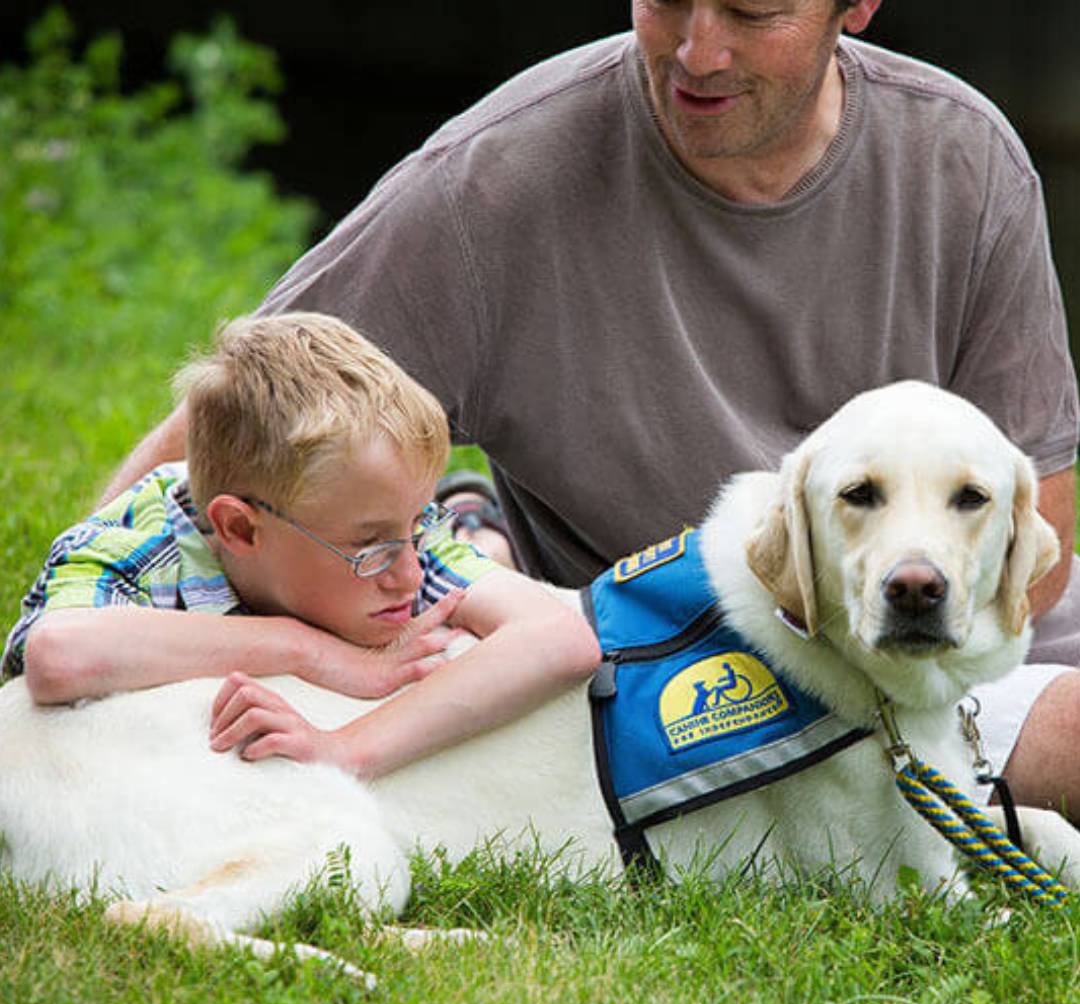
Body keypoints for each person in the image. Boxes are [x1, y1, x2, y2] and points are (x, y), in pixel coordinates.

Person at [99, 3, 1080, 814]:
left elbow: (1045, 510)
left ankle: (473, 524)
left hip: (942, 650)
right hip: (667, 670)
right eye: (665, 1)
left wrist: (916, 700)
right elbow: (236, 423)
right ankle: (475, 536)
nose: (698, 51)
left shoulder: (967, 163)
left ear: (855, 6)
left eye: (751, 11)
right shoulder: (494, 183)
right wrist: (87, 615)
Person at [2, 313, 599, 776]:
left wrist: (346, 750)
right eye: (368, 545)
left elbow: (562, 640)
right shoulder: (138, 544)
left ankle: (476, 525)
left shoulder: (395, 541)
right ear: (239, 530)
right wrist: (307, 650)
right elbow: (56, 658)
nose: (409, 575)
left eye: (413, 526)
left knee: (480, 560)